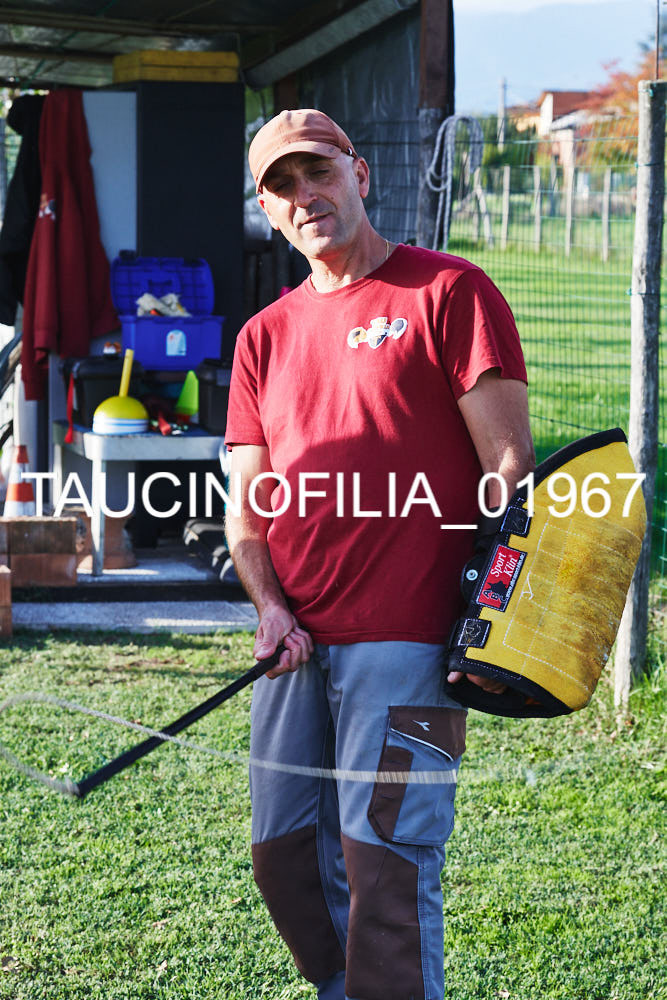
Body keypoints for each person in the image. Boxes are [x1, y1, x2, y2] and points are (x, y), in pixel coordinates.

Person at [224, 109, 534, 1000]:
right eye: (281, 186)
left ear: (358, 175)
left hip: (409, 646)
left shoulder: (449, 292)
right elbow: (249, 507)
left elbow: (508, 471)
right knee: (284, 858)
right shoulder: (262, 337)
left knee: (387, 867)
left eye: (317, 172)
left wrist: (486, 622)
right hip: (295, 646)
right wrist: (270, 608)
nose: (304, 196)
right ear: (267, 211)